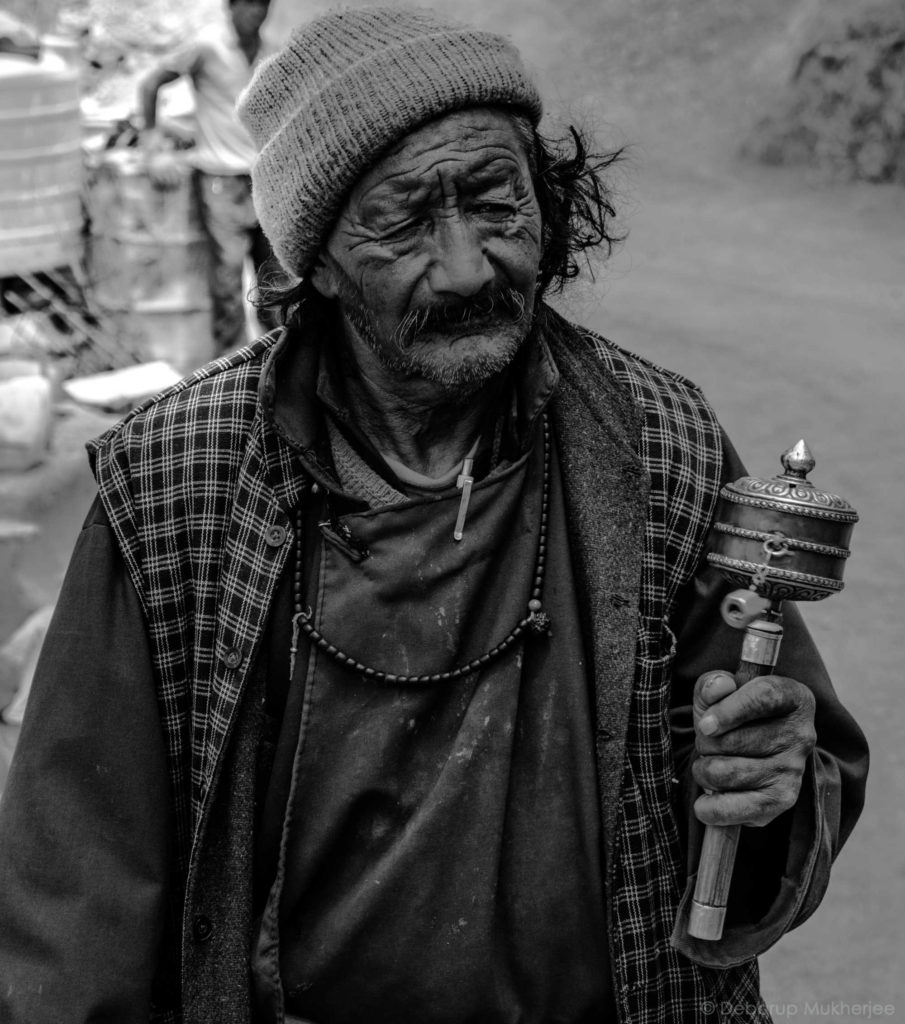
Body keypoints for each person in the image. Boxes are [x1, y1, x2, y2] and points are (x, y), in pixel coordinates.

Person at [0, 7, 867, 1023]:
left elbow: (764, 785)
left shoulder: (656, 443)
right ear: (315, 260)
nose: (466, 267)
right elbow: (75, 909)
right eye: (406, 221)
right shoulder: (169, 486)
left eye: (496, 204)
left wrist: (762, 787)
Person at [138, 0, 275, 355]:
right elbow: (152, 82)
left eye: (262, 5)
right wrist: (152, 144)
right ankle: (231, 365)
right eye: (246, 5)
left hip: (263, 178)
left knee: (275, 282)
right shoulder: (207, 46)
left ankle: (280, 362)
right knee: (228, 282)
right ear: (229, 8)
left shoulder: (270, 50)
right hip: (220, 179)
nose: (255, 13)